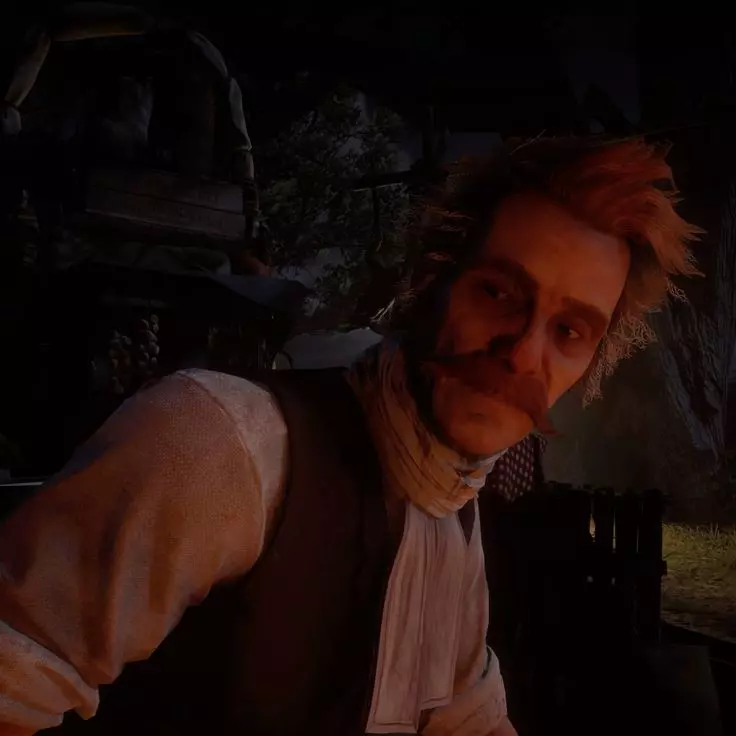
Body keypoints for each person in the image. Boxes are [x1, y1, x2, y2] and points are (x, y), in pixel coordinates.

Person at [0, 136, 700, 736]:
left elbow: (468, 716)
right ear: (434, 280)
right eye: (497, 293)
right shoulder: (225, 442)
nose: (521, 354)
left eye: (569, 331)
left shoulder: (453, 512)